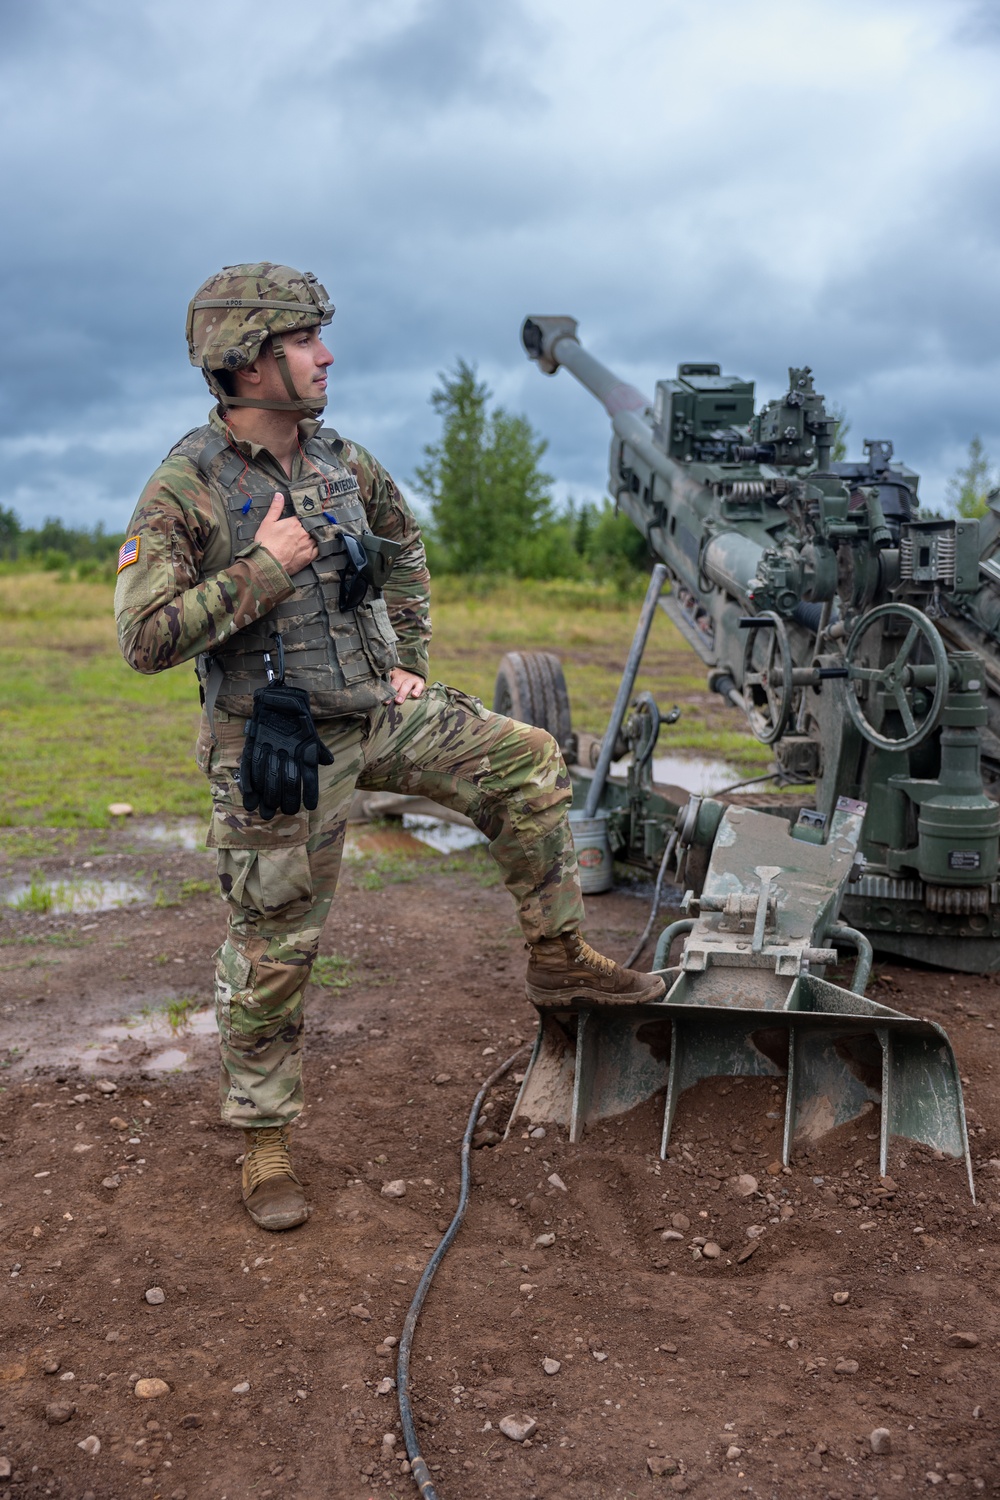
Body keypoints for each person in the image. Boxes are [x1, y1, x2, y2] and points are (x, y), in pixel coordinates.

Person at [115, 262, 664, 1232]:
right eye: (302, 341)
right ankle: (264, 1140)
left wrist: (408, 658)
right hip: (277, 749)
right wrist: (260, 570)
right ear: (245, 359)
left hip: (378, 712)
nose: (325, 355)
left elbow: (403, 543)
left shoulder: (341, 462)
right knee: (275, 946)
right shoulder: (187, 486)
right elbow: (144, 637)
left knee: (527, 758)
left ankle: (561, 957)